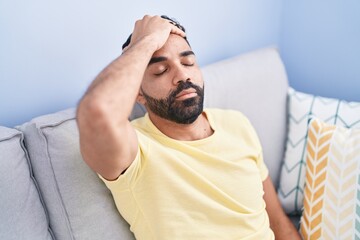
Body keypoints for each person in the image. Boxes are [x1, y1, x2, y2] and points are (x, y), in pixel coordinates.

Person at [76, 15, 301, 240]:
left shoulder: (237, 123)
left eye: (188, 63)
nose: (183, 76)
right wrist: (146, 41)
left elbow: (278, 221)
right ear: (138, 93)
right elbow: (98, 111)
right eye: (161, 70)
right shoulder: (135, 151)